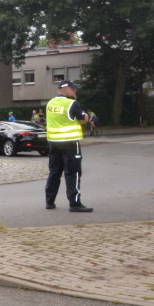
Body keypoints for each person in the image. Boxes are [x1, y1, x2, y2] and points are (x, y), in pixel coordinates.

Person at [45, 80, 93, 212]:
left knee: (54, 172)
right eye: (73, 89)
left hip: (54, 143)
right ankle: (75, 203)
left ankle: (49, 202)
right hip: (70, 143)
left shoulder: (50, 103)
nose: (75, 91)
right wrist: (86, 116)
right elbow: (83, 119)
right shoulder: (72, 103)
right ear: (65, 89)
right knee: (73, 173)